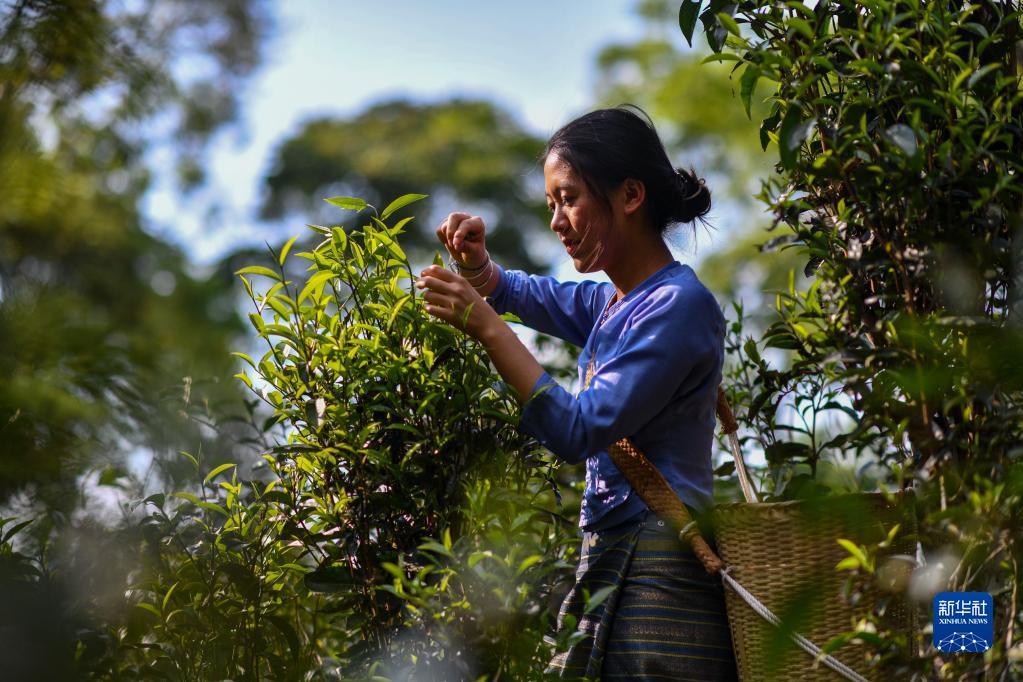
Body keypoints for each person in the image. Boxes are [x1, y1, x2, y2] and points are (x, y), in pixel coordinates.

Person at [414, 105, 737, 681]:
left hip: (661, 568)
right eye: (551, 205)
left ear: (631, 195)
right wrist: (480, 269)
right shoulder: (614, 303)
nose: (557, 221)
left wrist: (486, 324)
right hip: (616, 553)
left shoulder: (678, 306)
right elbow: (530, 293)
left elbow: (578, 428)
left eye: (569, 199)